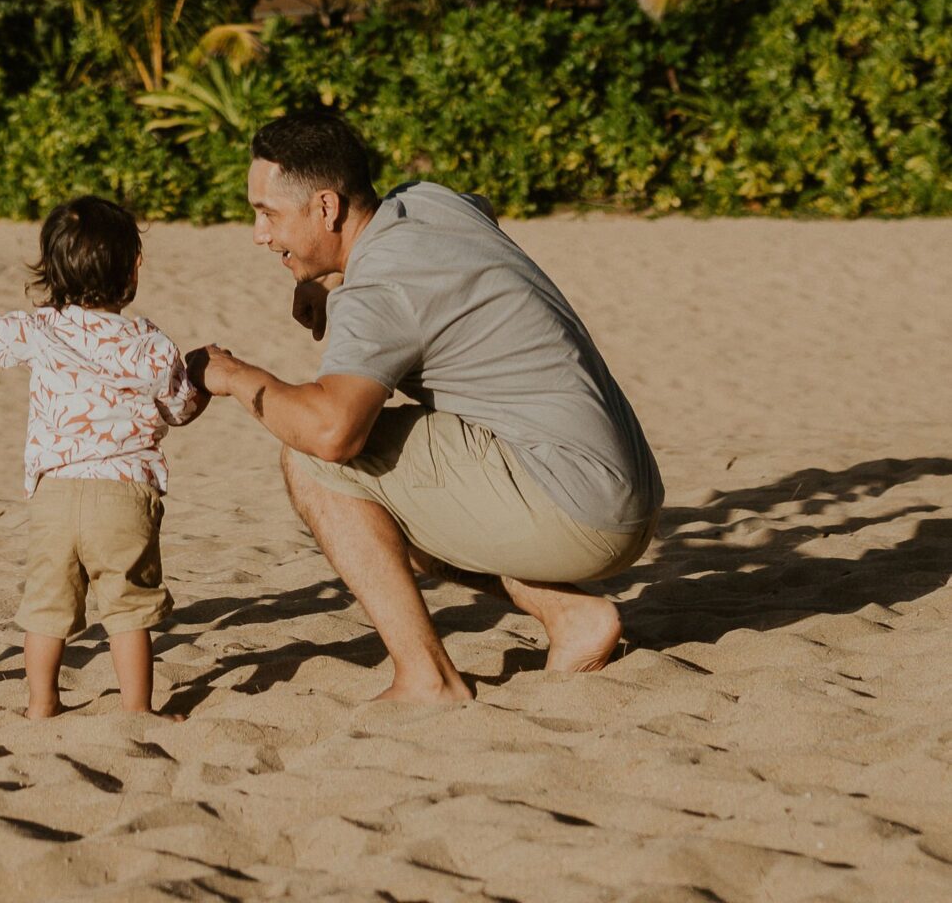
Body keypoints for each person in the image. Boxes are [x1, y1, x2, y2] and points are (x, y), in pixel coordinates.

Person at [190, 108, 661, 706]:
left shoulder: (380, 291)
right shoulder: (427, 201)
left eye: (268, 214)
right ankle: (569, 614)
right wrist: (327, 278)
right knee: (389, 501)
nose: (260, 234)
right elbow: (478, 212)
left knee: (316, 463)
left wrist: (234, 376)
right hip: (624, 487)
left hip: (578, 509)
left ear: (327, 208)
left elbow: (332, 433)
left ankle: (427, 678)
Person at [0, 194, 206, 718]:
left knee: (46, 609)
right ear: (133, 270)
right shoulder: (151, 344)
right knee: (128, 610)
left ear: (51, 271)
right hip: (124, 495)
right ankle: (138, 709)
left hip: (55, 497)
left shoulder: (42, 329)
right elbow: (181, 410)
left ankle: (41, 703)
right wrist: (204, 377)